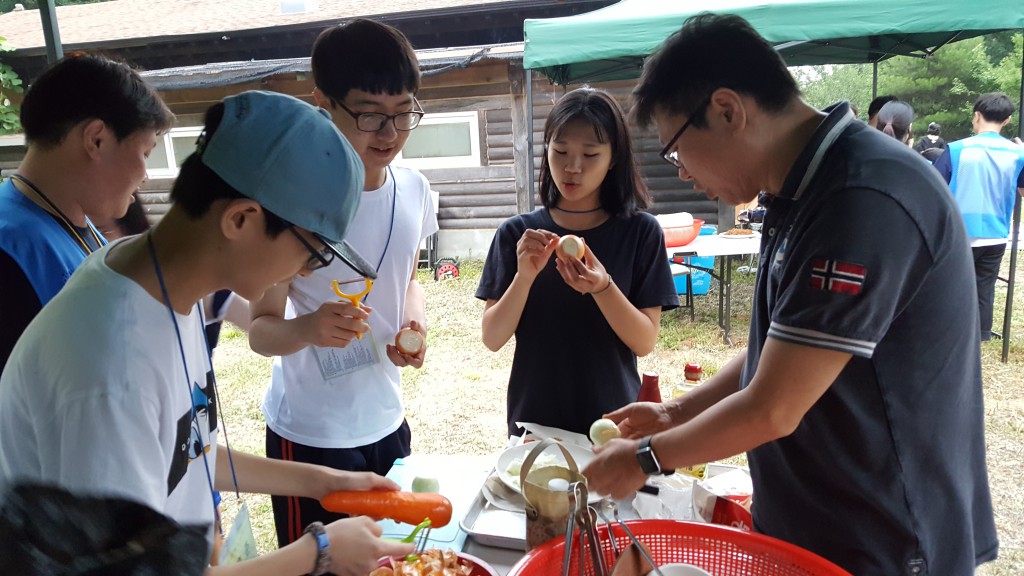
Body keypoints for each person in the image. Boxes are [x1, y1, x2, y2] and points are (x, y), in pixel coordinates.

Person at [581, 14, 997, 575]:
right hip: (819, 522)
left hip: (886, 540)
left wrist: (646, 458)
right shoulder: (800, 192)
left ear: (727, 110)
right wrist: (673, 411)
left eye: (678, 150)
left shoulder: (863, 196)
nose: (685, 173)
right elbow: (778, 354)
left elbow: (774, 406)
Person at [0, 90, 414, 575]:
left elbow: (188, 452)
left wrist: (323, 481)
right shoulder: (110, 369)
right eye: (314, 251)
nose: (305, 271)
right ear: (241, 219)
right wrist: (317, 552)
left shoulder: (163, 282)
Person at [248, 19, 438, 548]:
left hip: (387, 422)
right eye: (370, 115)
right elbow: (262, 331)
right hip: (309, 435)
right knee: (319, 563)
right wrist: (307, 327)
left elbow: (405, 280)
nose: (390, 134)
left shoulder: (416, 190)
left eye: (403, 114)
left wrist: (412, 319)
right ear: (323, 104)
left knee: (386, 557)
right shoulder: (290, 203)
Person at [476, 87, 678, 438]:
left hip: (611, 421)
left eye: (590, 154)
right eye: (560, 151)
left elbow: (644, 341)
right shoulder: (518, 235)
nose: (572, 167)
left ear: (614, 158)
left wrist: (603, 287)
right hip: (534, 422)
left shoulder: (641, 232)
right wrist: (524, 277)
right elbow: (493, 338)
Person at [0, 54, 173, 370]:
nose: (145, 176)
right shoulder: (9, 251)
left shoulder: (70, 219)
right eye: (145, 153)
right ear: (97, 139)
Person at [934, 92, 1024, 341]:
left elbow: (934, 186)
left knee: (951, 285)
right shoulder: (1017, 154)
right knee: (985, 286)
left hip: (959, 231)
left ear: (976, 116)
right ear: (1006, 121)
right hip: (996, 231)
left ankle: (950, 333)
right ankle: (981, 334)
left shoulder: (956, 149)